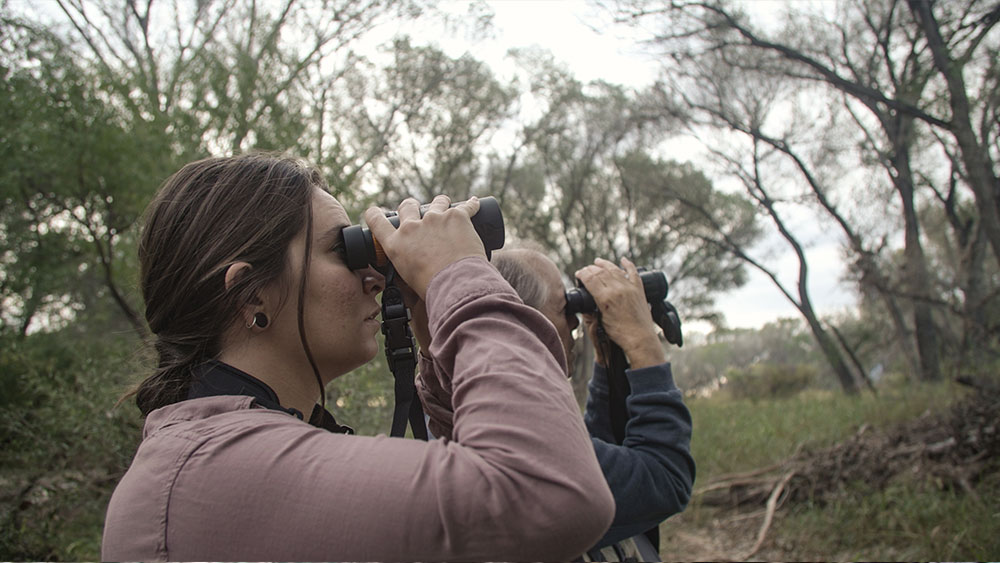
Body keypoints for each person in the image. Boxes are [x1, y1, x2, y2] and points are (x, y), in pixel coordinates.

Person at [100, 153, 615, 562]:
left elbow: (489, 536)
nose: (373, 275)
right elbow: (551, 496)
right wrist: (460, 277)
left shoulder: (223, 450)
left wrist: (437, 338)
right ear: (250, 296)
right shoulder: (219, 469)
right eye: (340, 251)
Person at [416, 248, 695, 562]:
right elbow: (667, 477)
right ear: (521, 321)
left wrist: (604, 356)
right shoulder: (521, 442)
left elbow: (596, 461)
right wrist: (642, 340)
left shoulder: (471, 417)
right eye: (565, 308)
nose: (574, 324)